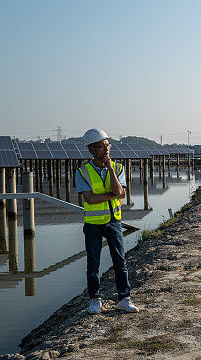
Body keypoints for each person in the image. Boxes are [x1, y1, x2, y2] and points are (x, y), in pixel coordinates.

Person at [76, 128, 139, 314]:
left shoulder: (118, 168)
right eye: (101, 146)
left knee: (120, 261)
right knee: (93, 264)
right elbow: (90, 199)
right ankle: (95, 300)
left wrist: (110, 168)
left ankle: (124, 298)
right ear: (91, 149)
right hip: (93, 225)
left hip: (114, 222)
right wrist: (111, 195)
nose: (106, 149)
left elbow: (119, 193)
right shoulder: (83, 172)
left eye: (107, 145)